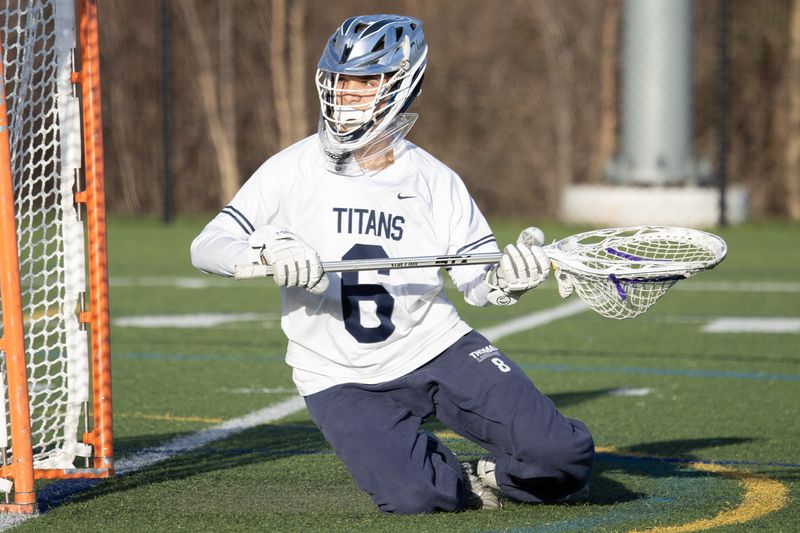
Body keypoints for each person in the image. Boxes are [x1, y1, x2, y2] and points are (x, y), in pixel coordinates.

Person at [191, 14, 594, 514]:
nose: (347, 93)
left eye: (365, 81)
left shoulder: (434, 179)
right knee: (419, 497)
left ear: (404, 86)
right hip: (337, 376)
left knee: (561, 457)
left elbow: (477, 282)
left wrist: (508, 280)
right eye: (340, 79)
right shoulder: (290, 168)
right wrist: (265, 249)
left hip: (436, 346)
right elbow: (207, 245)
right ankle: (453, 479)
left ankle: (504, 474)